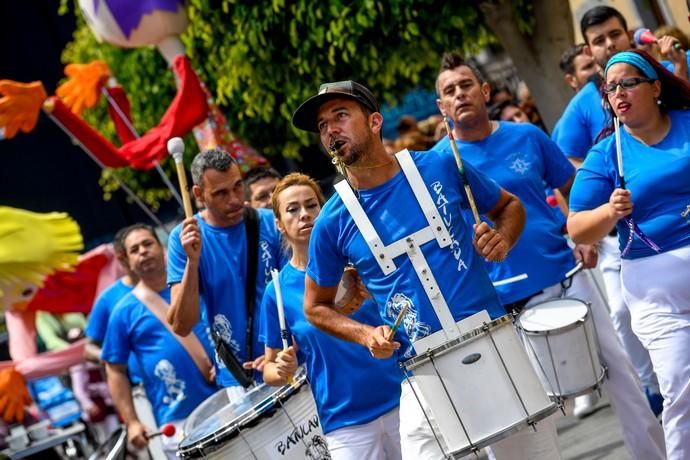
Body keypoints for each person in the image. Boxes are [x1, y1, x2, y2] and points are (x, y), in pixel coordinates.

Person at [292, 80, 544, 459]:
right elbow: (315, 307)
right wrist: (365, 335)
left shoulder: (439, 165)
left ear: (375, 121)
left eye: (340, 116)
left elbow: (509, 207)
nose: (330, 129)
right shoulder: (331, 221)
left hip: (494, 341)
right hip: (421, 373)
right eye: (323, 125)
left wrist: (502, 239)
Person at [433, 51, 666, 460]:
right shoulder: (435, 165)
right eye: (449, 90)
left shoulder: (527, 137)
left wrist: (584, 236)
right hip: (496, 308)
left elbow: (577, 190)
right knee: (513, 423)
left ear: (485, 91)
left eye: (466, 85)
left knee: (624, 380)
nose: (460, 95)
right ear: (441, 106)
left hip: (565, 278)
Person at [568, 49, 690, 460]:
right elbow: (577, 225)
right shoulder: (607, 153)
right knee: (679, 390)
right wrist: (609, 211)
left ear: (655, 88)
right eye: (610, 87)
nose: (618, 92)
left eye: (628, 82)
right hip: (656, 292)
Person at [553, 5, 664, 415]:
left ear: (628, 32)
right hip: (619, 232)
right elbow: (569, 173)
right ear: (588, 48)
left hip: (673, 220)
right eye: (598, 40)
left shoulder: (662, 77)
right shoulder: (582, 108)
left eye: (615, 34)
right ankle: (653, 390)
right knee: (620, 311)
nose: (609, 44)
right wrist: (587, 229)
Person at [262, 173, 402, 460]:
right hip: (344, 423)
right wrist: (282, 369)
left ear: (323, 209)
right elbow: (270, 369)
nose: (304, 215)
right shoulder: (276, 291)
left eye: (311, 205)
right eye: (292, 209)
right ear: (279, 224)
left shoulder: (359, 257)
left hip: (403, 397)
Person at [166, 148, 283, 391]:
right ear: (198, 194)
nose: (234, 199)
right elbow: (181, 325)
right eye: (220, 193)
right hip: (237, 378)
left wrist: (281, 351)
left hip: (287, 360)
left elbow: (300, 292)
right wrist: (193, 262)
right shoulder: (183, 238)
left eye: (238, 186)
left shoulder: (271, 222)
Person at [101, 224, 217, 459]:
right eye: (134, 250)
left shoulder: (197, 282)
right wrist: (132, 422)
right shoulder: (123, 312)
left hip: (227, 393)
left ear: (161, 246)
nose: (143, 251)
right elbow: (114, 369)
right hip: (178, 418)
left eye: (147, 244)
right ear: (126, 261)